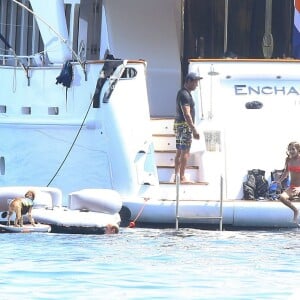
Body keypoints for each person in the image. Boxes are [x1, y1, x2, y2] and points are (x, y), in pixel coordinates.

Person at [174, 72, 201, 183]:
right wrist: (193, 129)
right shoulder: (185, 94)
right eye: (195, 82)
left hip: (179, 125)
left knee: (179, 151)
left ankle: (177, 176)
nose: (196, 85)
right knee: (185, 152)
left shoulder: (182, 93)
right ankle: (182, 177)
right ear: (189, 81)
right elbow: (187, 113)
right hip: (185, 126)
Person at [277, 141, 300, 224]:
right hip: (292, 187)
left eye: (293, 149)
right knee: (281, 197)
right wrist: (279, 181)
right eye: (289, 149)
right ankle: (295, 210)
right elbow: (286, 172)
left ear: (298, 149)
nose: (291, 151)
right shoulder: (288, 159)